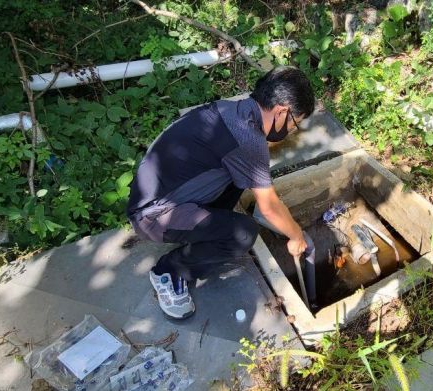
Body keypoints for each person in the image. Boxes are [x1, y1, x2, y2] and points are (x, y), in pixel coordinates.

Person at [127, 66, 315, 319]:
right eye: (295, 123)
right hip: (153, 216)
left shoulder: (232, 110)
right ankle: (169, 271)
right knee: (243, 233)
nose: (292, 130)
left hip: (156, 194)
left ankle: (206, 234)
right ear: (281, 111)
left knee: (239, 179)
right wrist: (297, 236)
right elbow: (269, 207)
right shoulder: (248, 140)